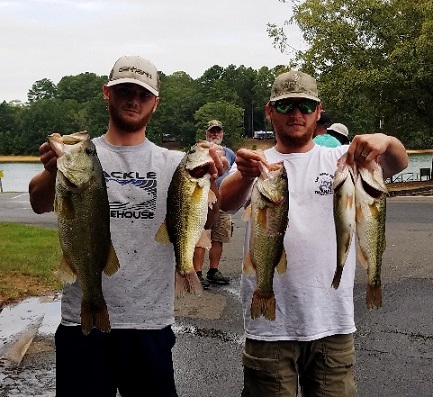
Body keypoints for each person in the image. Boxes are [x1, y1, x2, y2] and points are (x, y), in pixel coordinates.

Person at [28, 55, 228, 397]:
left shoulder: (174, 163)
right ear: (107, 93)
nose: (133, 99)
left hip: (149, 324)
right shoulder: (81, 154)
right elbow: (37, 202)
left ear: (155, 102)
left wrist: (213, 181)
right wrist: (51, 170)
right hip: (82, 325)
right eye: (124, 91)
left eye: (143, 93)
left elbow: (205, 218)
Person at [219, 70, 408, 397]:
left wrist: (387, 142)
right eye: (285, 105)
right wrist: (246, 176)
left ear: (318, 112)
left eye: (305, 106)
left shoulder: (343, 158)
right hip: (270, 329)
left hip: (332, 323)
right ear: (269, 111)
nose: (296, 113)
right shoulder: (257, 164)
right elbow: (225, 201)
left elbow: (398, 162)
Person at [193, 120, 236, 288]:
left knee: (219, 236)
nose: (215, 134)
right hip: (202, 199)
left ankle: (213, 270)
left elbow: (235, 174)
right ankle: (196, 273)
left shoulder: (230, 153)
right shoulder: (199, 150)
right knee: (201, 236)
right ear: (206, 133)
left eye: (218, 131)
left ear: (222, 134)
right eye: (212, 131)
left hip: (222, 201)